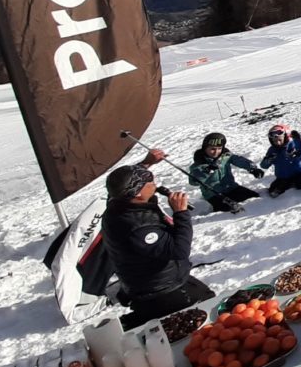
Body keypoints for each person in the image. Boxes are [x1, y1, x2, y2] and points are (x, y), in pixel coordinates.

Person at [102, 159, 213, 329]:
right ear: (137, 193)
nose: (154, 182)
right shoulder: (139, 227)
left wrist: (147, 162)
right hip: (161, 290)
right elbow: (179, 250)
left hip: (150, 284)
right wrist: (181, 213)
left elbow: (121, 182)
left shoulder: (118, 204)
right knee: (207, 309)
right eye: (149, 181)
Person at [189, 133, 263, 213]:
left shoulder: (225, 156)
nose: (216, 152)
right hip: (214, 194)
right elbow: (193, 182)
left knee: (254, 198)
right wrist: (207, 171)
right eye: (212, 149)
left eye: (219, 148)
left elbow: (239, 160)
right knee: (229, 210)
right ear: (205, 148)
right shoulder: (199, 163)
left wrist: (253, 168)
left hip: (231, 188)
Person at [260, 124, 301, 197]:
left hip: (298, 173)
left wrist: (299, 153)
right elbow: (264, 166)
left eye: (279, 140)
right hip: (283, 177)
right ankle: (289, 184)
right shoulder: (272, 150)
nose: (278, 143)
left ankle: (294, 184)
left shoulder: (293, 144)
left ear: (285, 137)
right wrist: (268, 159)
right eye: (275, 141)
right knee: (272, 191)